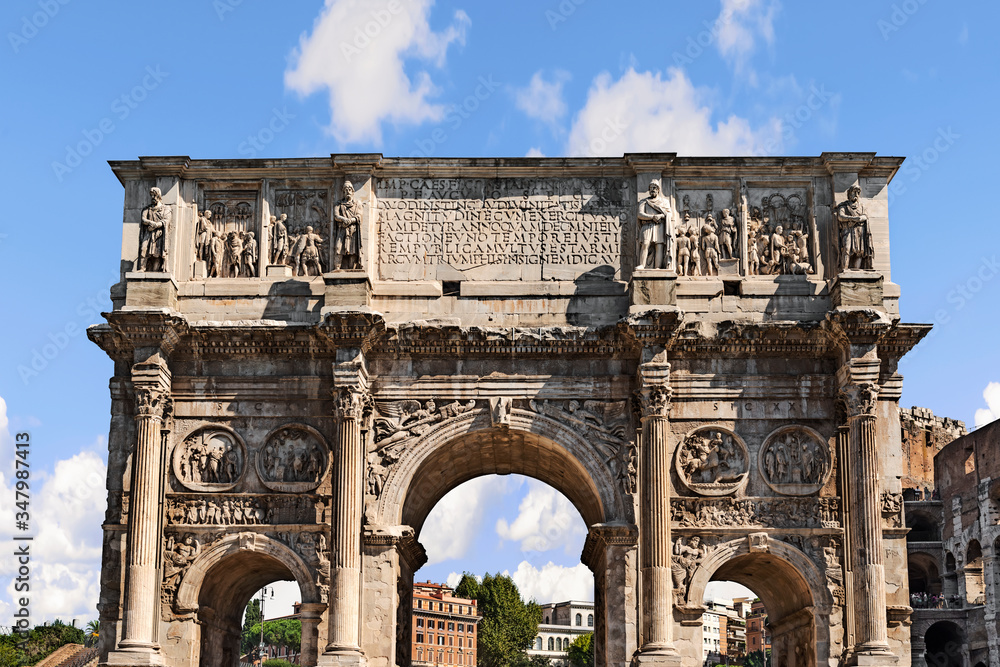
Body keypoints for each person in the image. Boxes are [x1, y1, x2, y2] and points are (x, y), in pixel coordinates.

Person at [833, 184, 874, 270]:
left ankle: (856, 271)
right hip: (847, 230)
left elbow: (865, 217)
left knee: (859, 251)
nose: (856, 195)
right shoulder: (844, 206)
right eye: (854, 192)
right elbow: (840, 216)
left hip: (859, 230)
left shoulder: (861, 206)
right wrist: (854, 219)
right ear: (849, 193)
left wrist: (858, 219)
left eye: (858, 193)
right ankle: (844, 269)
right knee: (846, 249)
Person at [636, 180, 672, 270]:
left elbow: (669, 214)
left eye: (654, 188)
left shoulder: (664, 202)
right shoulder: (644, 201)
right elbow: (640, 214)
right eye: (651, 188)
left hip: (659, 226)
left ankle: (657, 267)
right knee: (645, 244)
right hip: (647, 225)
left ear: (658, 190)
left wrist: (660, 216)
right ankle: (642, 265)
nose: (652, 190)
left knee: (659, 246)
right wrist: (652, 217)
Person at [138, 187, 171, 271]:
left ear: (159, 196)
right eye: (151, 195)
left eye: (154, 195)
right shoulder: (147, 209)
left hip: (159, 233)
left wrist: (156, 225)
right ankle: (142, 268)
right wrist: (151, 223)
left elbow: (167, 220)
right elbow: (143, 219)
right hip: (148, 233)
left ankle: (155, 270)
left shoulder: (166, 209)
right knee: (143, 249)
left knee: (157, 252)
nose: (153, 197)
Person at [333, 181, 363, 270]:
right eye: (346, 189)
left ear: (353, 191)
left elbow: (359, 216)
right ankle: (337, 268)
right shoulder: (338, 204)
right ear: (343, 191)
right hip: (342, 229)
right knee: (338, 248)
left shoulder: (357, 203)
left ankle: (352, 269)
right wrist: (343, 219)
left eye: (350, 189)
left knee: (353, 250)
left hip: (353, 230)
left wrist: (350, 220)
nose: (348, 191)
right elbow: (336, 215)